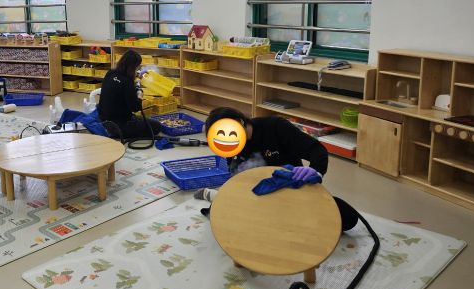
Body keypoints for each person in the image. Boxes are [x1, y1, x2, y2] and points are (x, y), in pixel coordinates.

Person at [195, 106, 328, 201]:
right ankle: (215, 196)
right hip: (255, 192)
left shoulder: (275, 126)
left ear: (240, 122)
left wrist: (315, 170)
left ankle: (215, 195)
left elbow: (317, 150)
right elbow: (236, 175)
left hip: (288, 186)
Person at [97, 49, 162, 141]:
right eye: (137, 67)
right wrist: (139, 93)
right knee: (156, 126)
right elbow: (135, 107)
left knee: (143, 120)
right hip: (118, 125)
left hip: (103, 119)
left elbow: (121, 83)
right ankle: (119, 133)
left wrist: (137, 75)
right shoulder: (127, 82)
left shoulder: (111, 72)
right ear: (133, 67)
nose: (137, 69)